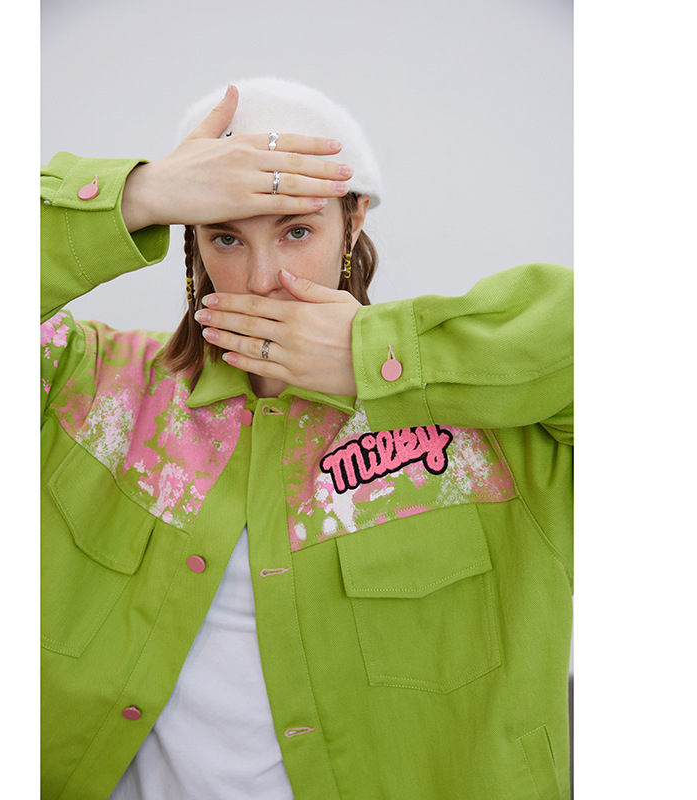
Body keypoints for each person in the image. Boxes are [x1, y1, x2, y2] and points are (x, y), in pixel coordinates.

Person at [41, 78, 573, 800]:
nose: (263, 279)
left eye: (296, 231)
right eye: (225, 236)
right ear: (192, 241)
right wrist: (139, 194)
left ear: (353, 221)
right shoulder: (90, 387)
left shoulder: (490, 427)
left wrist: (378, 354)